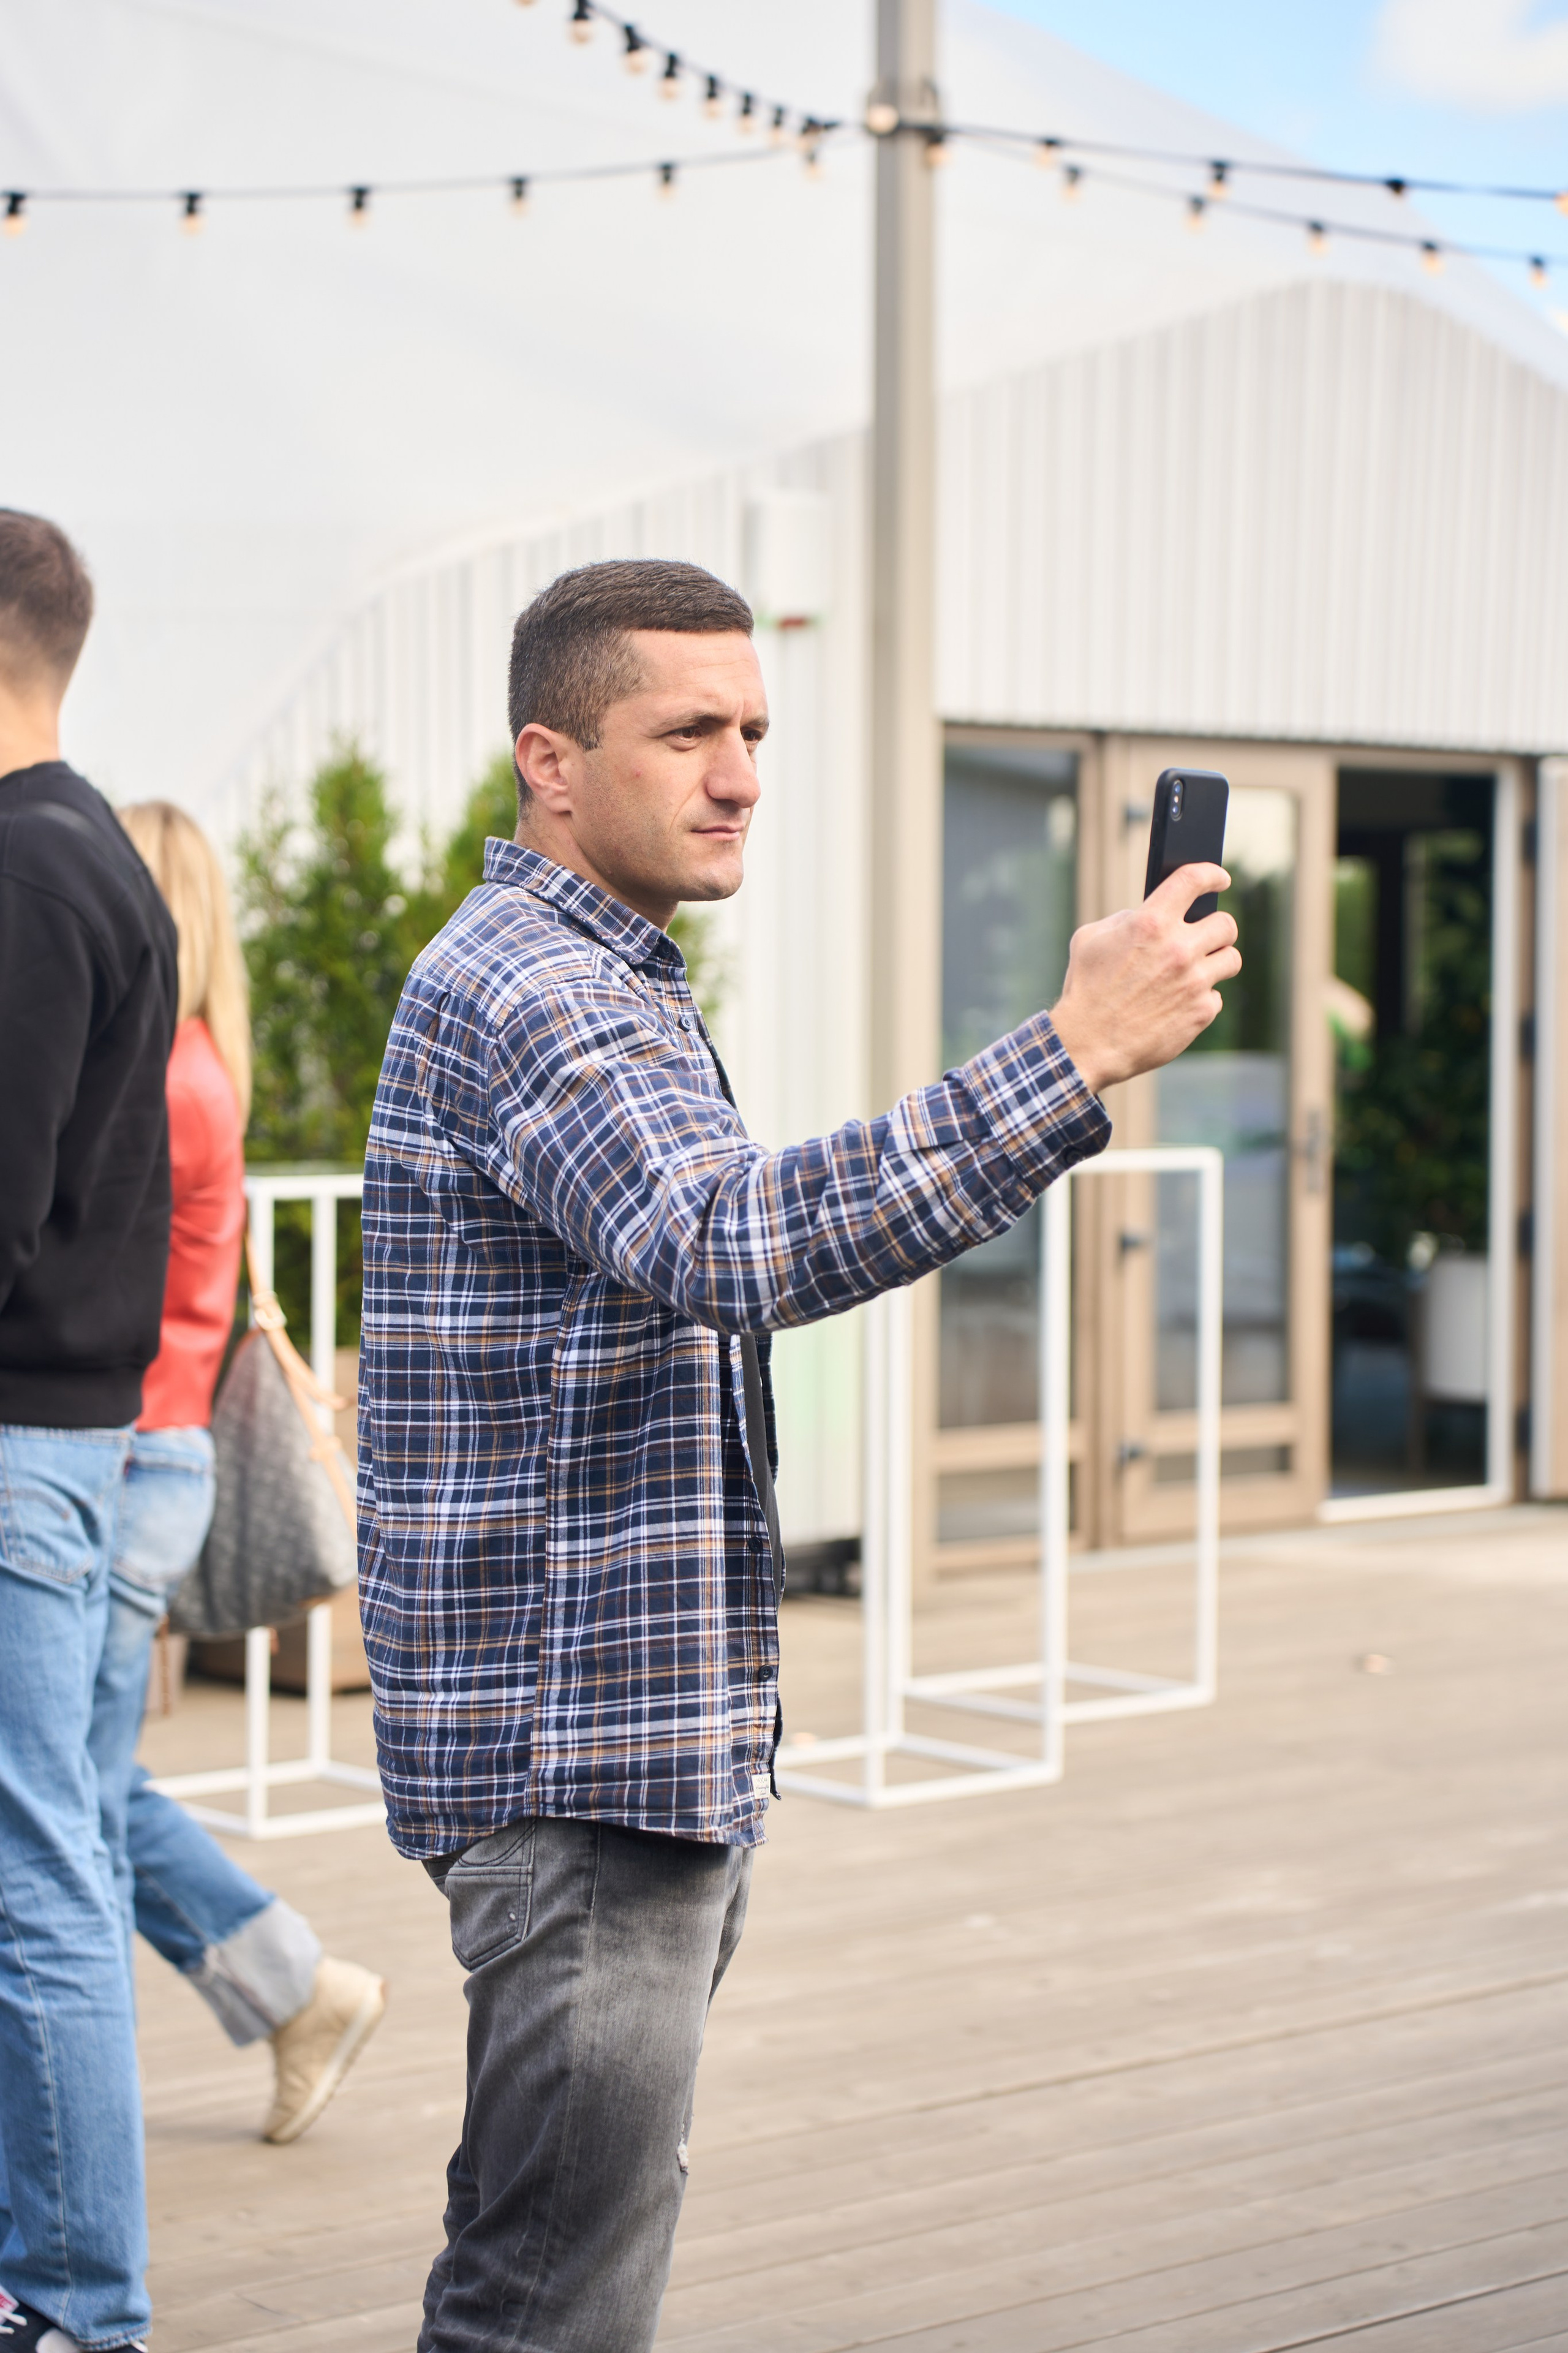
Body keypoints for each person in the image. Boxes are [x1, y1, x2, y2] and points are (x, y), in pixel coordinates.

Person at [357, 558, 1241, 2353]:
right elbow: (734, 1242)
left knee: (543, 2258)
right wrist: (1070, 1052)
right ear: (549, 757)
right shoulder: (543, 988)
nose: (742, 772)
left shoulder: (596, 969)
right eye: (688, 731)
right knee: (550, 2304)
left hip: (619, 1743)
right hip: (582, 1763)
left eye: (754, 728)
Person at [90, 801, 386, 2146]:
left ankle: (297, 1988)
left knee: (51, 1796)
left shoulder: (149, 1080)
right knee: (67, 1783)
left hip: (114, 1464)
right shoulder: (198, 1065)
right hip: (146, 1461)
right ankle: (294, 1988)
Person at [0, 512, 176, 2353]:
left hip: (17, 1451)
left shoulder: (31, 866)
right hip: (57, 1446)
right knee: (46, 1863)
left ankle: (76, 2305)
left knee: (38, 1879)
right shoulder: (87, 847)